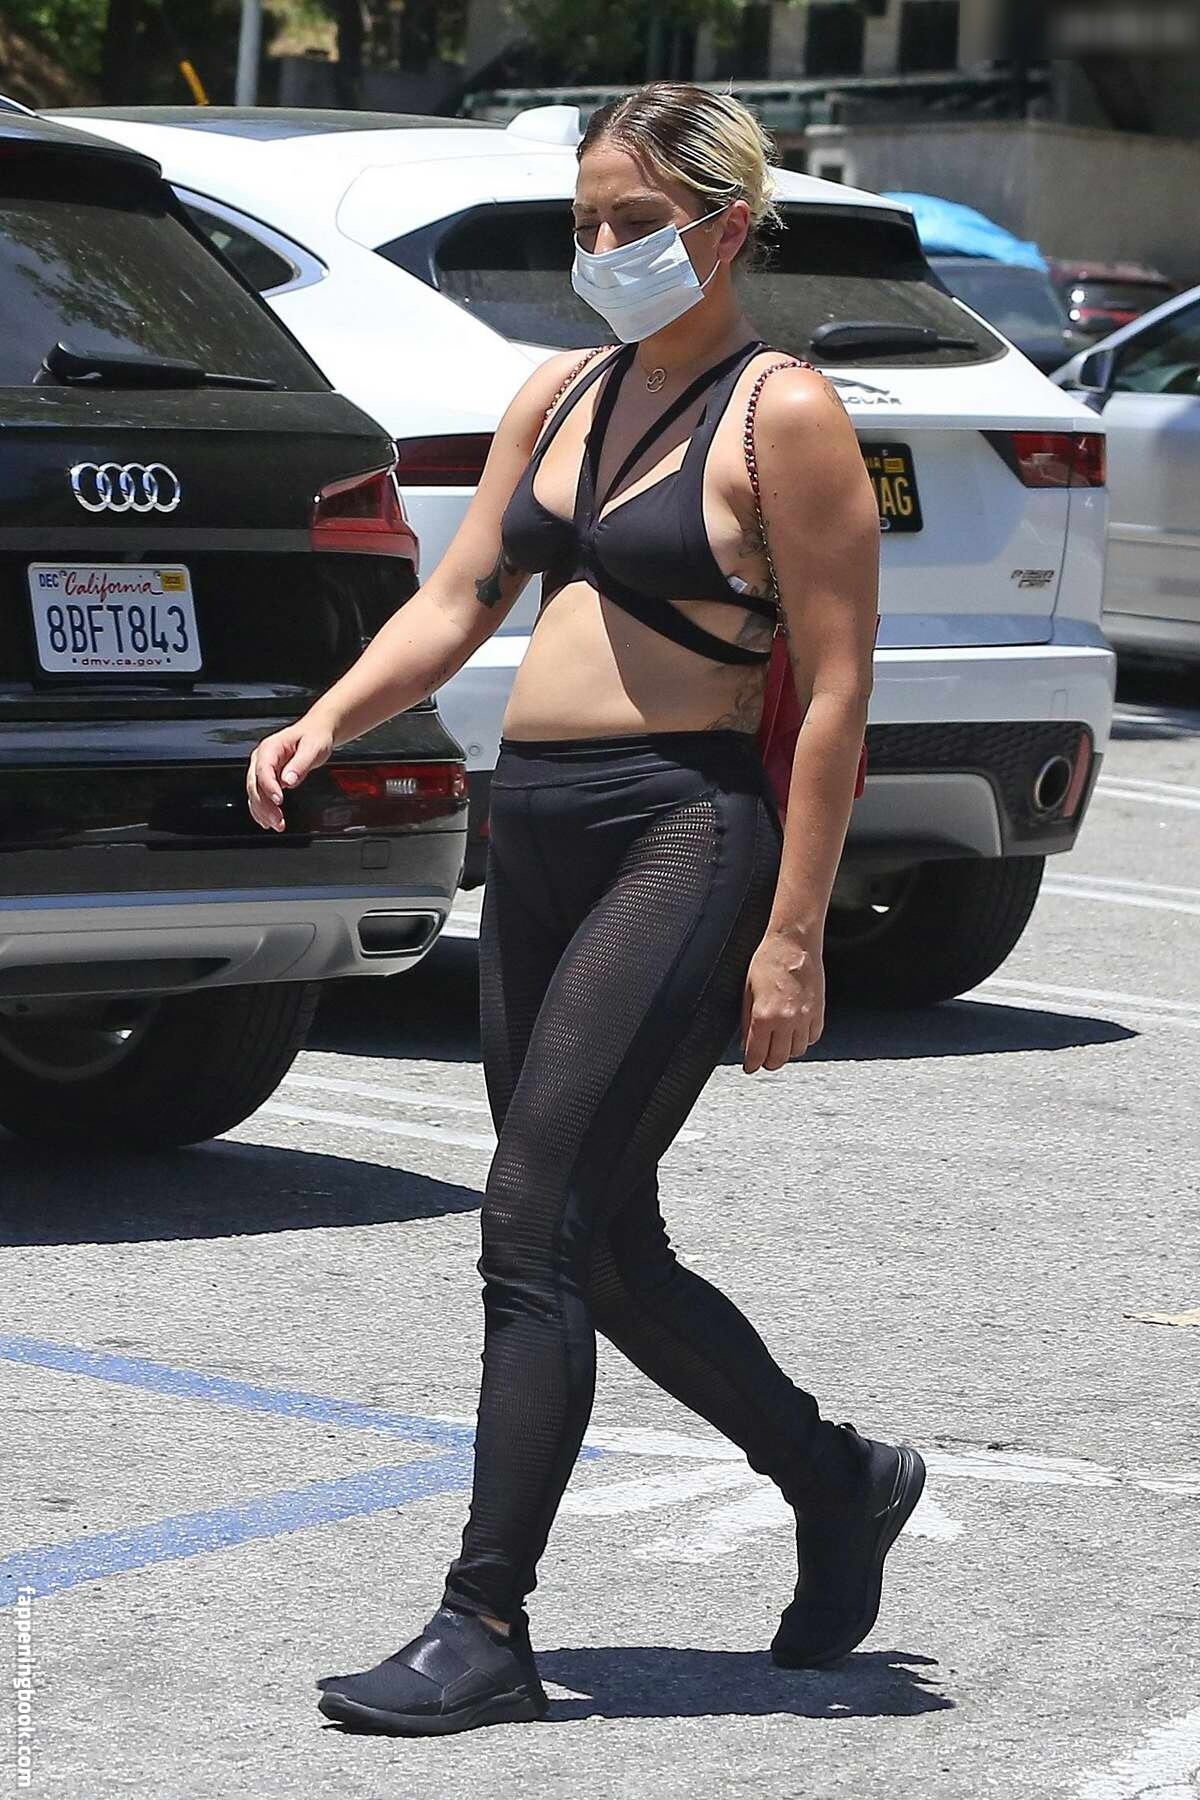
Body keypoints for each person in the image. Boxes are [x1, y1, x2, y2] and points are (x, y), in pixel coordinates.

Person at [247, 81, 925, 1738]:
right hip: (537, 829)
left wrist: (795, 933)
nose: (606, 248)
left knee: (530, 1227)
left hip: (683, 831)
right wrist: (329, 718)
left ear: (727, 228)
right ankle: (836, 1478)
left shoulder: (786, 414)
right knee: (604, 1247)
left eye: (639, 221)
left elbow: (837, 692)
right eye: (587, 222)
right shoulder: (559, 393)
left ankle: (484, 1621)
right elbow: (464, 592)